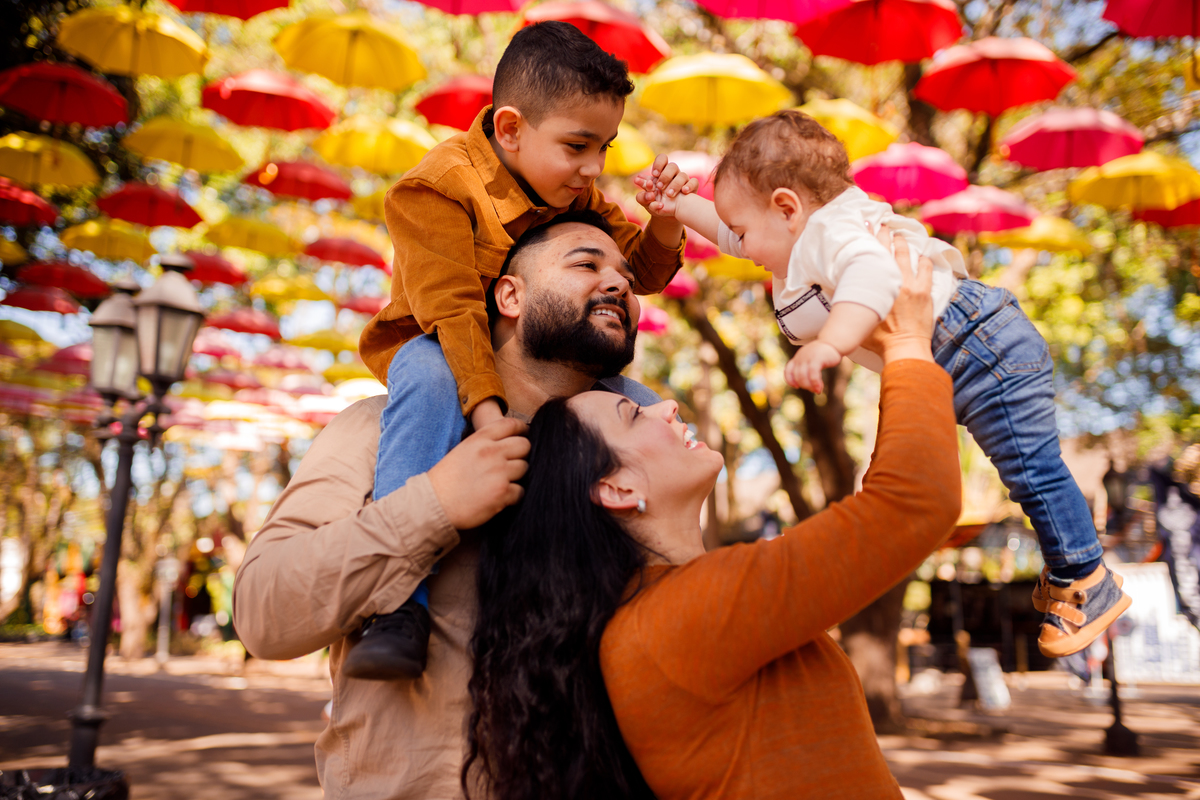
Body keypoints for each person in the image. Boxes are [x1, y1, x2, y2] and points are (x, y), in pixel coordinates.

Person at [465, 232, 959, 799]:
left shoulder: (670, 607)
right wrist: (909, 344)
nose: (666, 406)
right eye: (633, 415)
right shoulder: (680, 613)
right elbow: (914, 502)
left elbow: (880, 507)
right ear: (617, 488)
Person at [664, 109, 1130, 658]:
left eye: (742, 230)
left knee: (1030, 469)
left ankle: (1085, 576)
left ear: (786, 207)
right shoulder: (801, 231)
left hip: (978, 343)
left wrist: (830, 343)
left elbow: (876, 274)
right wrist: (674, 204)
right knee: (1020, 469)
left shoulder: (830, 231)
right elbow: (732, 231)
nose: (738, 244)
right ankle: (1071, 568)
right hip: (961, 351)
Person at [233, 213, 667, 800]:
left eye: (627, 277)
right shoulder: (377, 430)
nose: (619, 284)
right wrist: (434, 504)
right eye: (586, 264)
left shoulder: (644, 454)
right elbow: (264, 616)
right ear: (509, 296)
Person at [349, 20, 694, 680]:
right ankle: (395, 603)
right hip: (441, 343)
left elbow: (642, 272)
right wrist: (487, 414)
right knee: (426, 379)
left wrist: (668, 221)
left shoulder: (574, 189)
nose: (595, 167)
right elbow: (451, 311)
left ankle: (662, 597)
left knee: (646, 410)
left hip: (539, 357)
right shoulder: (435, 190)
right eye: (578, 145)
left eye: (606, 145)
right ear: (510, 129)